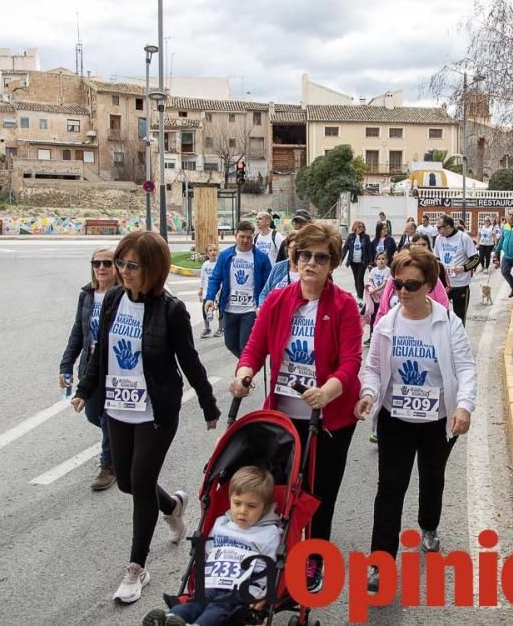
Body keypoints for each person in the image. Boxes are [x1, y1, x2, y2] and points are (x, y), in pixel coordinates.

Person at [71, 231, 220, 604]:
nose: (122, 271)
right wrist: (85, 389)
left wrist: (208, 403)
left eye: (131, 265)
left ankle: (136, 568)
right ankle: (172, 506)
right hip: (117, 408)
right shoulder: (114, 300)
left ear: (153, 269)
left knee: (140, 483)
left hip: (155, 411)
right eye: (120, 263)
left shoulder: (171, 310)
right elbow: (102, 352)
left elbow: (189, 360)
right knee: (126, 482)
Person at [231, 222, 362, 593]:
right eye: (305, 255)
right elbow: (255, 348)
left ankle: (314, 559)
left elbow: (351, 361)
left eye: (321, 257)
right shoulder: (278, 300)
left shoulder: (344, 306)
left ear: (333, 263)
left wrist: (329, 390)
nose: (311, 263)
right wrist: (244, 374)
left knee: (320, 493)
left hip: (330, 416)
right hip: (284, 416)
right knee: (278, 488)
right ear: (295, 257)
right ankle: (272, 551)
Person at [354, 248, 476, 592]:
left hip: (437, 420)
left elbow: (466, 367)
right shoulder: (387, 324)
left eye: (412, 284)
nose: (403, 291)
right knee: (390, 489)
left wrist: (464, 406)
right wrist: (368, 394)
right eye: (398, 284)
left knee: (432, 478)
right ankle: (380, 563)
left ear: (428, 285)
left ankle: (429, 525)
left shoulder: (447, 322)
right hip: (396, 419)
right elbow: (374, 370)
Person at [142, 466, 283, 626]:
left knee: (219, 608)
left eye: (251, 506)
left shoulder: (268, 533)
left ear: (264, 508)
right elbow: (208, 553)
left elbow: (268, 568)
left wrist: (261, 594)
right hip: (214, 580)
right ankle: (169, 619)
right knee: (195, 603)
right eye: (237, 503)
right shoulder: (221, 523)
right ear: (230, 500)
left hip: (240, 590)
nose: (242, 511)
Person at [59, 247, 118, 491]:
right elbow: (77, 332)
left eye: (107, 263)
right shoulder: (87, 295)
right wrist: (66, 365)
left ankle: (109, 465)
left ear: (115, 266)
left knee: (107, 417)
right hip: (89, 365)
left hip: (114, 366)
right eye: (97, 264)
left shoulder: (122, 295)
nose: (101, 268)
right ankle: (119, 443)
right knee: (93, 415)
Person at [204, 221, 272, 359]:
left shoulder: (261, 258)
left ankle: (245, 375)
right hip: (229, 309)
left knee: (244, 346)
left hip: (250, 311)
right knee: (230, 344)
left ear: (253, 237)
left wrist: (264, 305)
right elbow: (216, 278)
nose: (245, 240)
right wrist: (210, 298)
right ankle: (248, 369)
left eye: (249, 237)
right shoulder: (225, 255)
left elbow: (269, 285)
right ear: (236, 236)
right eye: (242, 236)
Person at [258, 210, 313, 305]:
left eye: (301, 223)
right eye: (296, 222)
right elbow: (280, 265)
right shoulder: (286, 243)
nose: (298, 225)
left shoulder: (315, 245)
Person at [434, 215, 480, 324]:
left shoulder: (463, 238)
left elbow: (475, 259)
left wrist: (463, 268)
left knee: (459, 318)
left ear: (449, 226)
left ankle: (458, 340)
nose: (438, 230)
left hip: (460, 284)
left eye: (440, 227)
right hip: (444, 284)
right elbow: (436, 258)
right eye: (437, 227)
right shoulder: (439, 238)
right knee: (439, 315)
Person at [362, 250, 391, 349]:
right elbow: (370, 281)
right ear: (375, 260)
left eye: (383, 259)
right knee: (373, 318)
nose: (381, 261)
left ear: (387, 260)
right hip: (374, 298)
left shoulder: (388, 270)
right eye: (379, 259)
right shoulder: (373, 270)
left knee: (383, 317)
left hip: (383, 299)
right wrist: (371, 290)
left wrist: (376, 290)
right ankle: (372, 336)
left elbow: (385, 283)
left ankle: (383, 337)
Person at [341, 220, 371, 301]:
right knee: (356, 279)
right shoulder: (350, 236)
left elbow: (369, 250)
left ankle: (360, 298)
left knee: (359, 279)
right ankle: (359, 296)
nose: (361, 228)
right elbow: (345, 248)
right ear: (355, 227)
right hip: (353, 262)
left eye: (362, 227)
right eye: (359, 227)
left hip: (363, 261)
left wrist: (370, 262)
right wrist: (341, 259)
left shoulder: (366, 237)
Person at [199, 245, 224, 339]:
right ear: (207, 253)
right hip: (207, 291)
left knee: (220, 310)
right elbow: (202, 277)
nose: (213, 252)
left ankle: (221, 328)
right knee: (205, 309)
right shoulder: (205, 264)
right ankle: (207, 328)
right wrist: (201, 289)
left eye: (215, 250)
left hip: (219, 291)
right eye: (210, 250)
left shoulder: (220, 263)